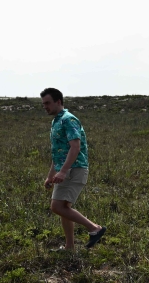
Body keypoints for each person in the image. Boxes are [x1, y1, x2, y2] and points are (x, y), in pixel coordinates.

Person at [41, 87, 106, 250]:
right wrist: (51, 175)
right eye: (43, 104)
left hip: (74, 169)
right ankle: (69, 246)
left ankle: (94, 228)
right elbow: (58, 153)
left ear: (58, 102)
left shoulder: (68, 119)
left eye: (48, 103)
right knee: (64, 209)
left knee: (57, 207)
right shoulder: (56, 121)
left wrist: (62, 171)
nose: (45, 106)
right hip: (65, 170)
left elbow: (75, 147)